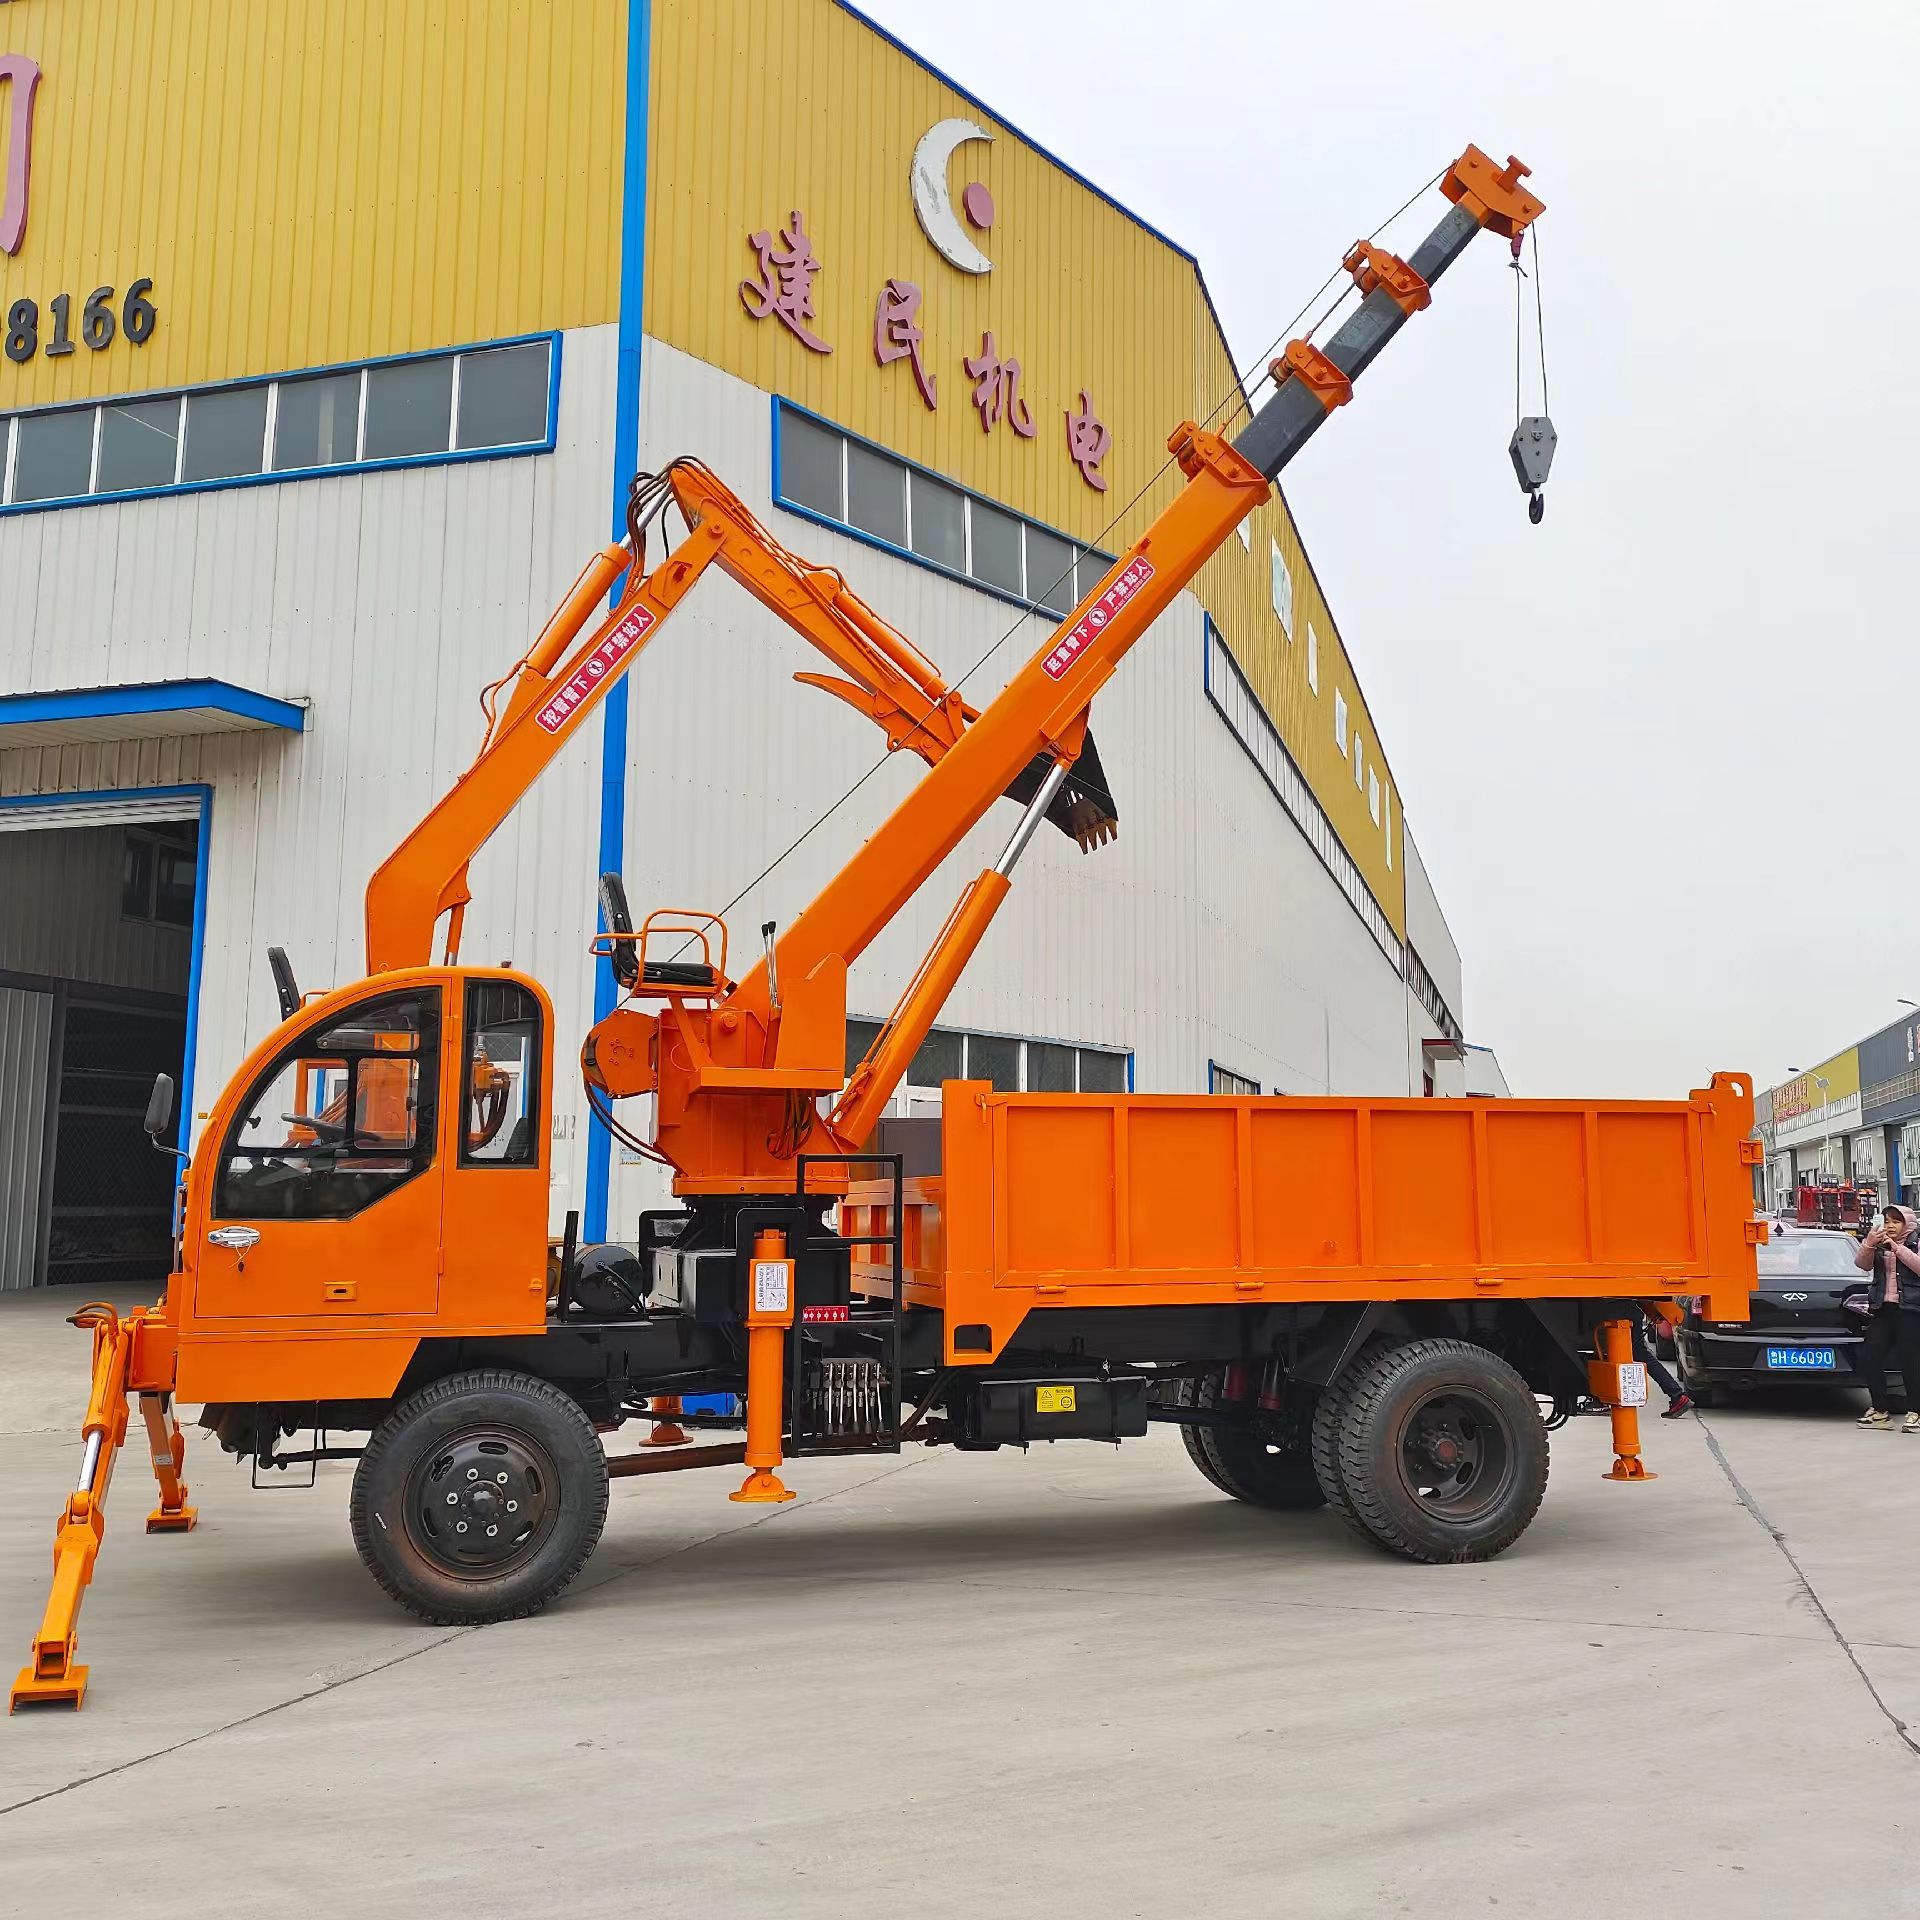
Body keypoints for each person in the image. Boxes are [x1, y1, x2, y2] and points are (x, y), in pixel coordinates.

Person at [1853, 1205, 1920, 1430]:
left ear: (1907, 1224)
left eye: (1896, 1222)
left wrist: (1898, 1249)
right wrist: (1869, 1243)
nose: (1890, 1226)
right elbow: (1862, 1264)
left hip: (1911, 1310)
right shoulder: (1880, 1243)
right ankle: (1880, 1411)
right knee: (1869, 1356)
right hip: (1883, 1309)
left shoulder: (1914, 1242)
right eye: (1887, 1221)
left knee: (1910, 1363)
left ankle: (1916, 1412)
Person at [1633, 1311, 1692, 1418]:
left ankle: (1677, 1395)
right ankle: (1677, 1395)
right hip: (1626, 1306)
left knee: (1639, 1353)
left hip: (1618, 1306)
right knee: (1639, 1353)